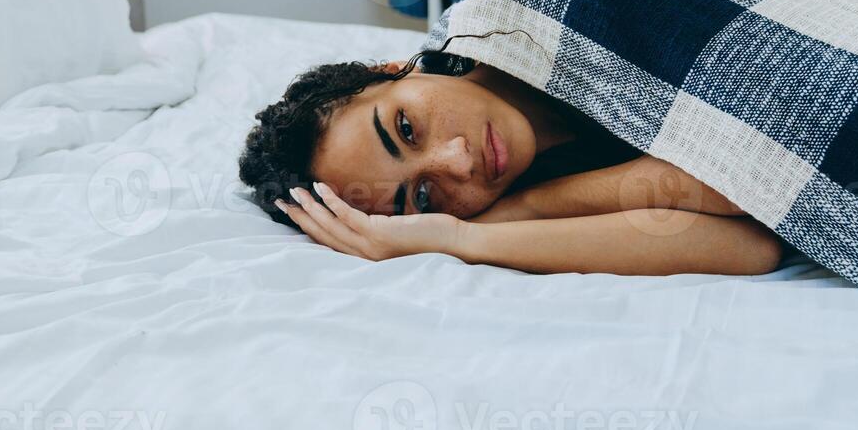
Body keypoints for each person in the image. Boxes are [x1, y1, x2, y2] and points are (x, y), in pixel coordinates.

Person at [236, 46, 783, 277]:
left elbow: (754, 167)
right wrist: (462, 237)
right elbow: (757, 241)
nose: (456, 162)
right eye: (420, 197)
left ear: (392, 69)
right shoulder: (490, 211)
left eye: (405, 127)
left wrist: (527, 208)